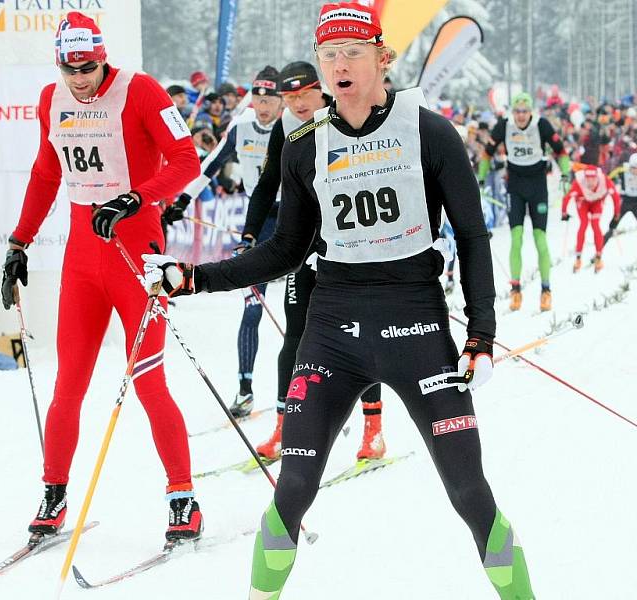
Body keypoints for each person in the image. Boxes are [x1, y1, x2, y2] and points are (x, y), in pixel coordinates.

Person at [144, 3, 535, 599]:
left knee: (469, 492)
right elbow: (284, 249)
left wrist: (481, 334)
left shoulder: (429, 131)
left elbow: (475, 236)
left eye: (351, 52)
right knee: (292, 487)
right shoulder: (304, 146)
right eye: (328, 55)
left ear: (381, 58)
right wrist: (193, 278)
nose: (338, 66)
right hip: (332, 332)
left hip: (417, 328)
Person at [0, 12, 203, 544]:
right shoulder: (52, 98)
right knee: (68, 383)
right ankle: (53, 493)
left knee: (149, 381)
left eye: (88, 67)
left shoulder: (141, 91)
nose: (79, 78)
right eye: (69, 68)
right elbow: (47, 172)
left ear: (102, 56)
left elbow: (187, 159)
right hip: (82, 259)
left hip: (136, 254)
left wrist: (138, 197)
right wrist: (18, 242)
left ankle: (183, 498)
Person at [238, 59, 386, 461]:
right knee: (296, 335)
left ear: (320, 88)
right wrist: (250, 234)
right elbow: (267, 185)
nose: (298, 104)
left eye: (304, 94)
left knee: (360, 331)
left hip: (350, 241)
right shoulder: (287, 127)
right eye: (290, 97)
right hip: (304, 244)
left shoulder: (345, 112)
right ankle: (286, 427)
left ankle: (373, 428)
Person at [165, 66, 284, 421]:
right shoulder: (242, 127)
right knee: (251, 307)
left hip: (295, 223)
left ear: (282, 101)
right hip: (256, 224)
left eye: (271, 100)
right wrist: (182, 202)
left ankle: (309, 391)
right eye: (259, 99)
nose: (264, 107)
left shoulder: (294, 125)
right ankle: (245, 390)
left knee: (303, 313)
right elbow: (210, 168)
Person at [479, 92, 572, 312]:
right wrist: (481, 178)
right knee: (516, 239)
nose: (521, 116)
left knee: (540, 239)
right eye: (517, 111)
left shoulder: (542, 125)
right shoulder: (504, 125)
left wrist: (566, 174)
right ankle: (516, 290)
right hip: (516, 187)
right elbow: (487, 153)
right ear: (513, 111)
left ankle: (546, 290)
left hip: (538, 187)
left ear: (531, 111)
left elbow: (561, 151)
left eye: (525, 111)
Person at [561, 165, 621, 273]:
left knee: (595, 225)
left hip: (597, 201)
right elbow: (567, 198)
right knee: (584, 223)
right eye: (588, 179)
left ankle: (598, 257)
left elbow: (616, 197)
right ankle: (578, 258)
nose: (591, 182)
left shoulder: (604, 180)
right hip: (583, 201)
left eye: (593, 179)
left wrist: (617, 214)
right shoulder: (579, 183)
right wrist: (564, 213)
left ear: (597, 177)